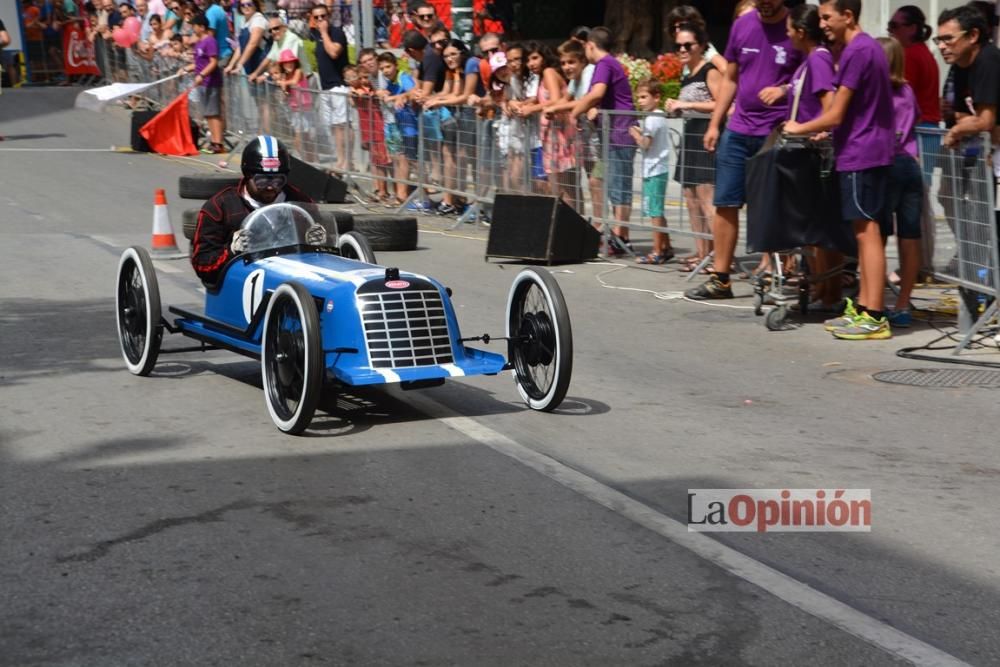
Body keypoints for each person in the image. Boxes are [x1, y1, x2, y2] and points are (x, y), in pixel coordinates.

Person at [785, 0, 895, 340]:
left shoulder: (856, 51)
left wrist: (797, 128)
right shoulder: (865, 48)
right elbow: (849, 114)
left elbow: (836, 113)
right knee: (863, 233)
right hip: (865, 148)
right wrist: (825, 129)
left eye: (827, 17)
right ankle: (864, 307)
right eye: (820, 18)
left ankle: (873, 314)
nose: (823, 24)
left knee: (867, 232)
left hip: (863, 152)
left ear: (848, 16)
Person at [686, 0, 801, 299]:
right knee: (725, 202)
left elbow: (809, 76)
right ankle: (721, 278)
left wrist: (784, 90)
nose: (764, 4)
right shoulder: (743, 25)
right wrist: (714, 124)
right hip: (738, 129)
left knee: (772, 204)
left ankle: (780, 272)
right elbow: (731, 78)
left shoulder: (795, 28)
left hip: (775, 130)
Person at [191, 136, 321, 287]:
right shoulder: (219, 207)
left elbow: (321, 243)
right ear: (248, 176)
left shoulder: (301, 202)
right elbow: (202, 264)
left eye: (278, 180)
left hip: (293, 276)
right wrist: (231, 251)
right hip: (242, 282)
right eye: (262, 181)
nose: (271, 187)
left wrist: (316, 241)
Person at [935, 4, 1000, 282]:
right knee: (967, 211)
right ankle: (980, 278)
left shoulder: (988, 60)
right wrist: (965, 123)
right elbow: (960, 113)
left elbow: (983, 120)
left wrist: (957, 130)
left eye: (948, 38)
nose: (942, 46)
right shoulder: (961, 65)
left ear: (973, 35)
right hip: (990, 152)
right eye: (938, 40)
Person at [783, 3, 841, 308]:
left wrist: (807, 128)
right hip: (803, 149)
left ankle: (830, 291)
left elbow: (830, 106)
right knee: (813, 228)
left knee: (819, 228)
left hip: (814, 152)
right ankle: (821, 288)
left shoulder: (818, 60)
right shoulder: (808, 61)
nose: (787, 34)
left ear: (802, 32)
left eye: (790, 29)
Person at [571, 26, 637, 255]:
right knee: (604, 182)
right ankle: (613, 232)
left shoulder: (605, 64)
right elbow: (602, 99)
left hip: (620, 133)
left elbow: (597, 93)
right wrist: (591, 111)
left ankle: (621, 237)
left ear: (590, 45)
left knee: (620, 187)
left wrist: (574, 113)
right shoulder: (607, 65)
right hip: (611, 134)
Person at [665, 22, 721, 273]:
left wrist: (686, 105)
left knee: (707, 199)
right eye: (678, 46)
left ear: (700, 45)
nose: (683, 49)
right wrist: (677, 107)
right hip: (689, 136)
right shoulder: (687, 73)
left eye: (688, 45)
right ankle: (702, 253)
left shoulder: (709, 70)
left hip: (705, 136)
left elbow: (722, 104)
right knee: (690, 199)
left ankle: (720, 257)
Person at [876, 36, 923, 328]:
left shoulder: (878, 93)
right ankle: (903, 303)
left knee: (876, 236)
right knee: (909, 237)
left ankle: (875, 300)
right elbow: (915, 118)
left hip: (887, 163)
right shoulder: (907, 89)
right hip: (910, 163)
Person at [545, 39, 604, 220]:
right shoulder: (574, 80)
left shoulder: (588, 73)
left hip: (599, 138)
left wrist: (556, 108)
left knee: (596, 182)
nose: (567, 67)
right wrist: (548, 108)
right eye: (563, 63)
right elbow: (565, 99)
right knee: (588, 180)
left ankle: (600, 225)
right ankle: (588, 224)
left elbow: (584, 101)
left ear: (582, 61)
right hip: (585, 138)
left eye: (571, 62)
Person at [629, 80, 673, 264]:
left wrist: (636, 134)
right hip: (655, 168)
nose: (640, 101)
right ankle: (666, 247)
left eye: (644, 97)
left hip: (655, 169)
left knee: (655, 212)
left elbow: (646, 143)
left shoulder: (654, 118)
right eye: (639, 97)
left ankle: (657, 251)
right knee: (657, 211)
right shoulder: (654, 117)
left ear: (656, 97)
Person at [310, 2, 350, 174]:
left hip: (338, 86)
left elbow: (334, 52)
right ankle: (340, 159)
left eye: (323, 16)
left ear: (328, 16)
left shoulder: (336, 33)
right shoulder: (316, 36)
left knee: (342, 125)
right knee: (334, 127)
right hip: (325, 88)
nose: (320, 20)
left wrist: (325, 32)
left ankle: (347, 161)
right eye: (316, 17)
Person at [180, 13, 226, 154]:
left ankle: (218, 143)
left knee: (213, 113)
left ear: (201, 27)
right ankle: (213, 141)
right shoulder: (199, 42)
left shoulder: (210, 41)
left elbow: (213, 62)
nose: (193, 28)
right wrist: (186, 69)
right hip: (202, 83)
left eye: (194, 25)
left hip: (211, 82)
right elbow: (198, 63)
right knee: (207, 113)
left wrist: (202, 75)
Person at [377, 51, 418, 204]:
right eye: (382, 69)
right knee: (398, 159)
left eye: (388, 66)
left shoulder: (403, 77)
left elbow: (413, 91)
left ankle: (405, 194)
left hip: (409, 126)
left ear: (395, 65)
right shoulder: (390, 82)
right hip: (397, 125)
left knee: (408, 160)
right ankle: (401, 194)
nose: (386, 71)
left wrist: (395, 97)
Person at [277, 48, 313, 158]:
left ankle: (303, 157)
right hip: (295, 108)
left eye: (291, 62)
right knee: (302, 134)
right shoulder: (286, 76)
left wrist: (283, 82)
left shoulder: (298, 71)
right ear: (282, 65)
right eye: (286, 63)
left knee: (302, 135)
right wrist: (283, 88)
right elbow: (286, 94)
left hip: (305, 107)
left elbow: (295, 81)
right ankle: (307, 157)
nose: (289, 64)